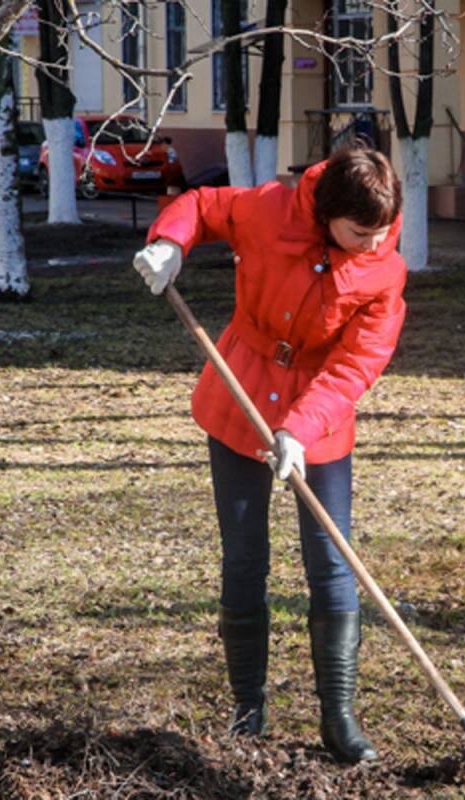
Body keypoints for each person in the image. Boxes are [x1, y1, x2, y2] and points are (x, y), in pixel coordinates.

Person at [132, 148, 405, 761]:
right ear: (327, 214)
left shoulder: (384, 273)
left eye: (382, 232)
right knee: (245, 557)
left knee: (331, 564)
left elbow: (357, 364)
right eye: (359, 233)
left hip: (319, 417)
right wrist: (170, 242)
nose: (372, 244)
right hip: (239, 396)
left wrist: (300, 430)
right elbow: (202, 205)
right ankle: (247, 712)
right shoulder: (269, 211)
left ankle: (338, 717)